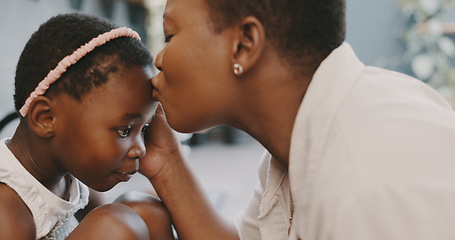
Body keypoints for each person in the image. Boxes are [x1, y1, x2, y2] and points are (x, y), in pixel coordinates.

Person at [139, 0, 455, 239]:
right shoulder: (297, 144)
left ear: (244, 44)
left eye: (170, 35)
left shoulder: (364, 185)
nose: (159, 59)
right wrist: (166, 163)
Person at [0, 13, 174, 240]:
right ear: (46, 118)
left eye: (144, 129)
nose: (141, 148)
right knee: (116, 227)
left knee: (145, 211)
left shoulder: (70, 176)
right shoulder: (7, 208)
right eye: (125, 130)